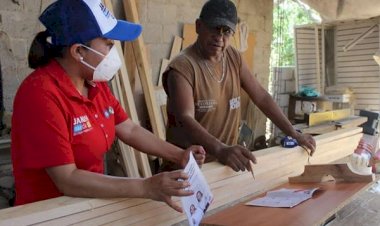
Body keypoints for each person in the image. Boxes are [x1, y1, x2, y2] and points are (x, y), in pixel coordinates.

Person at [11, 0, 205, 213]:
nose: (115, 51)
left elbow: (129, 129)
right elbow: (67, 179)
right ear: (78, 52)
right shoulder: (41, 95)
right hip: (49, 213)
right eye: (109, 44)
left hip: (90, 203)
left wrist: (179, 155)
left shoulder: (94, 84)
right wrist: (145, 186)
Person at [162, 0, 316, 172]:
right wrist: (220, 149)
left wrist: (293, 133)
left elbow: (262, 97)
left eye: (226, 31)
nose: (219, 37)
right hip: (187, 167)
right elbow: (186, 118)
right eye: (214, 28)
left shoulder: (233, 58)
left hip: (222, 164)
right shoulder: (182, 68)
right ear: (199, 26)